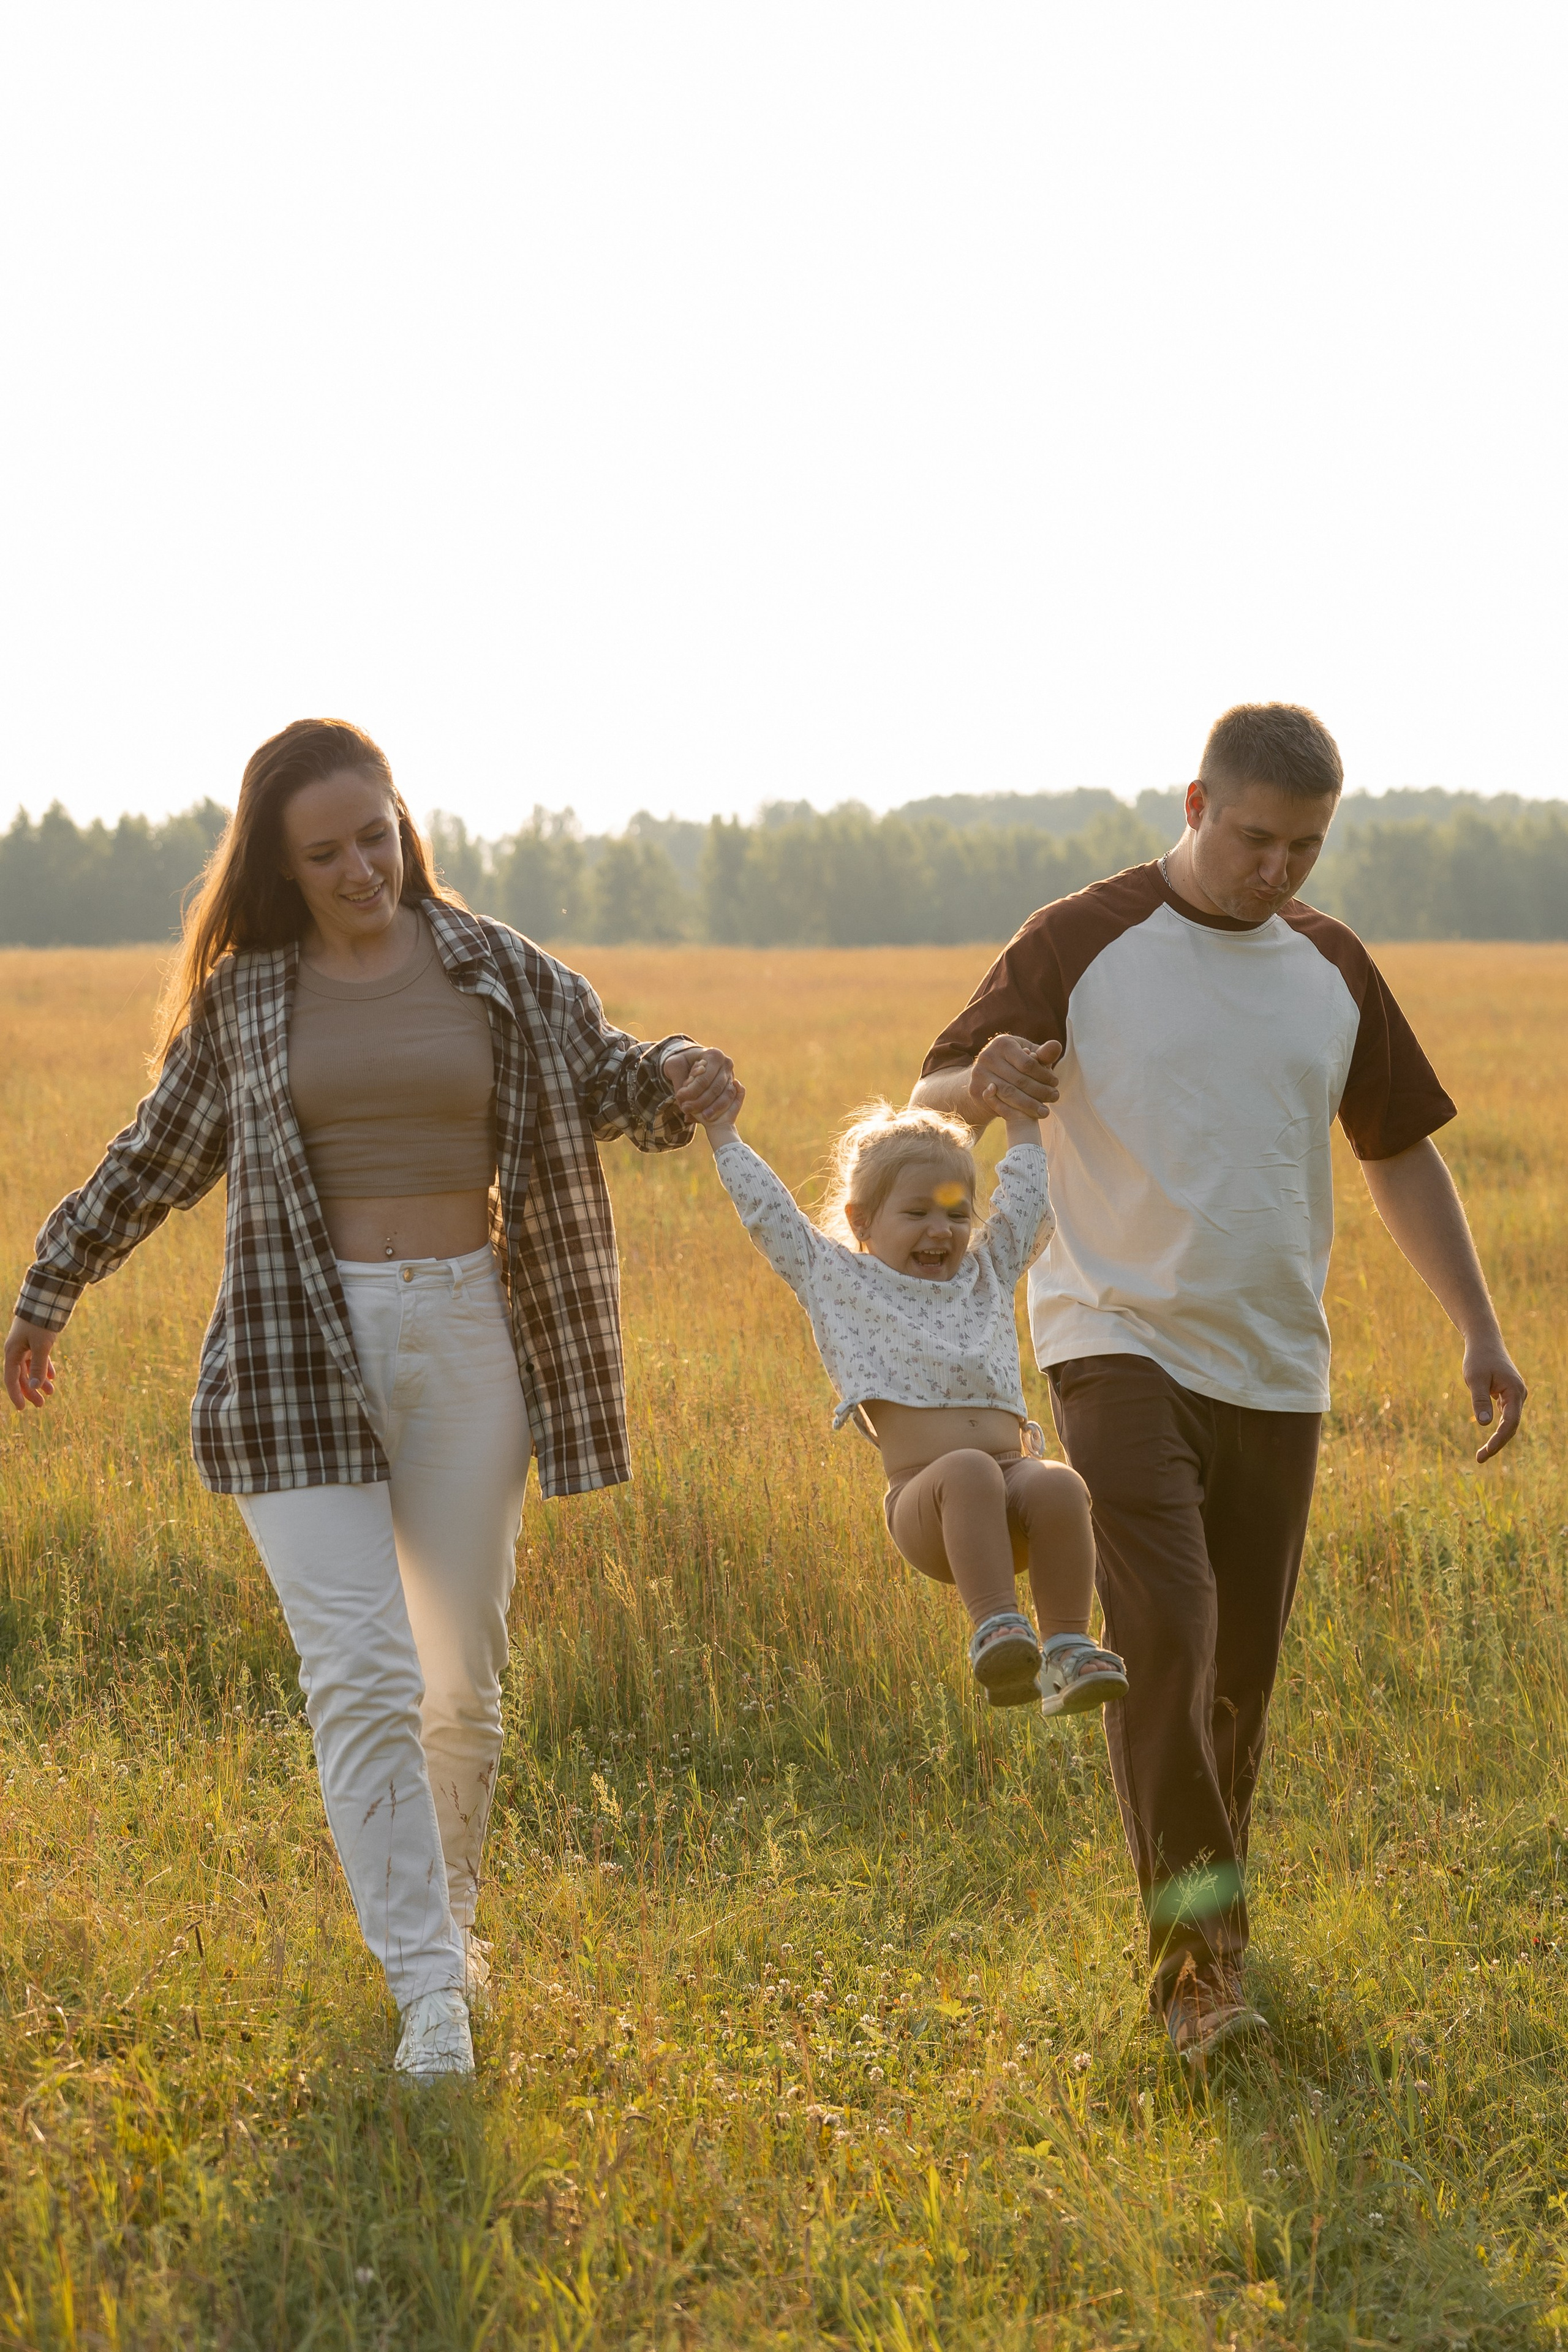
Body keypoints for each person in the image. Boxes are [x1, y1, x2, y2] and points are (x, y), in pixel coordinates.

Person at [4, 717, 735, 2081]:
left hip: (469, 1339)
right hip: (297, 1346)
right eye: (325, 853)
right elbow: (154, 1156)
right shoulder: (248, 1002)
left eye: (375, 836)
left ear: (407, 824)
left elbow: (612, 1078)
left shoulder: (495, 965)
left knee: (459, 1684)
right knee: (362, 1673)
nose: (360, 871)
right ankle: (428, 1995)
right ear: (279, 869)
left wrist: (681, 1066)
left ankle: (444, 1934)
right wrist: (52, 1285)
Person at [912, 701, 1528, 2061]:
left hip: (1276, 1363)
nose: (1275, 870)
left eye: (1304, 847)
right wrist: (980, 1081)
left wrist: (1477, 1328)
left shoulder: (1331, 964)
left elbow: (1396, 1150)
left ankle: (1208, 1934)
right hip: (1112, 1336)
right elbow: (936, 1088)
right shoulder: (1081, 936)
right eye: (1254, 839)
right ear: (1194, 805)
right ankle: (1196, 1973)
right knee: (1171, 1636)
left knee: (1236, 1676)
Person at [699, 1077, 1126, 1715]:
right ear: (861, 1222)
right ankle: (998, 1633)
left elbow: (1026, 1207)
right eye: (917, 1213)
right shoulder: (840, 1279)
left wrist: (1021, 1121)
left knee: (1060, 1482)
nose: (941, 1230)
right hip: (930, 1508)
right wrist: (722, 1132)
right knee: (969, 1468)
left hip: (1012, 1496)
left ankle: (1067, 1650)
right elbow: (771, 1216)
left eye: (957, 1214)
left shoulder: (985, 1274)